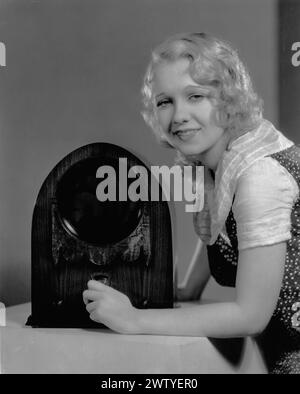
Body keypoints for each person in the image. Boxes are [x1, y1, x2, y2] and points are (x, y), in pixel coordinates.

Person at [83, 32, 300, 374]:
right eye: (164, 101)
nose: (179, 115)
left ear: (229, 98)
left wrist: (136, 320)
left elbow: (251, 315)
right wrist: (189, 287)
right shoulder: (211, 161)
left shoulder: (260, 176)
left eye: (196, 96)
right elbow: (221, 225)